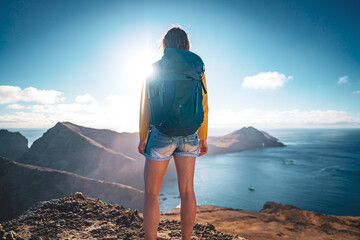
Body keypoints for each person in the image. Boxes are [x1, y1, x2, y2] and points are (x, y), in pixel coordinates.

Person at [138, 26, 209, 240]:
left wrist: (143, 136)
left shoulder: (154, 68)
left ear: (165, 45)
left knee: (151, 193)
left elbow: (145, 106)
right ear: (186, 45)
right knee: (187, 191)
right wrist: (203, 137)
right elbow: (204, 104)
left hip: (161, 134)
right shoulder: (197, 69)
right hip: (190, 134)